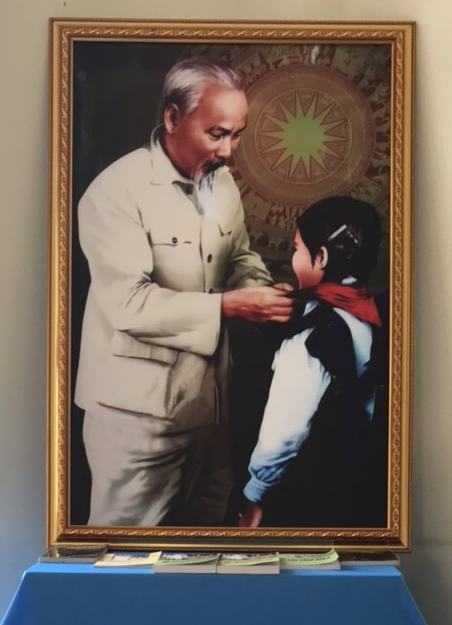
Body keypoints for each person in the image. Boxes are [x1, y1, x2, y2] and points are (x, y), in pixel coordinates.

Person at [75, 57, 293, 528]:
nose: (229, 151)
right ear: (173, 117)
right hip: (136, 421)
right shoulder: (115, 192)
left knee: (205, 549)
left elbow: (238, 256)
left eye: (237, 135)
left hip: (212, 413)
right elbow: (129, 305)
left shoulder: (221, 182)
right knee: (131, 557)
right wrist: (231, 306)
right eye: (217, 134)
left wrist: (260, 291)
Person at [236, 195, 387, 530]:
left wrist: (255, 499)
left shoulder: (312, 334)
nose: (293, 258)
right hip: (358, 491)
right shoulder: (372, 317)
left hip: (306, 494)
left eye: (297, 249)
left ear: (321, 258)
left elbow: (283, 432)